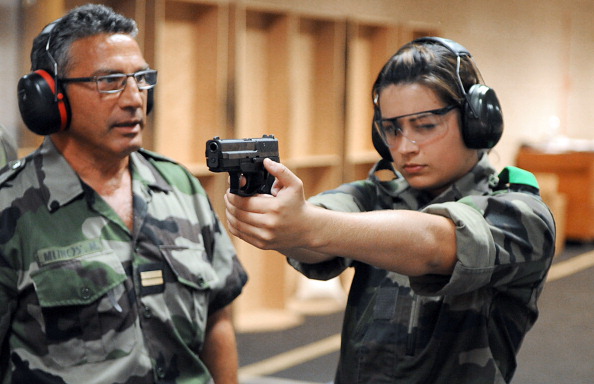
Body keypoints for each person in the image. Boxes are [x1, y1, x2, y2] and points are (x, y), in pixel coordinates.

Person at [225, 37, 556, 383]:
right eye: (391, 129)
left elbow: (436, 245)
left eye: (425, 125)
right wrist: (282, 223)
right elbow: (316, 234)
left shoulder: (519, 212)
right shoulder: (376, 196)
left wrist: (310, 225)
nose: (404, 147)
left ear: (477, 122)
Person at [1, 4, 247, 384]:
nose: (135, 99)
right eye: (110, 81)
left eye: (141, 79)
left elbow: (218, 318)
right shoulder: (10, 208)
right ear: (49, 98)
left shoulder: (180, 185)